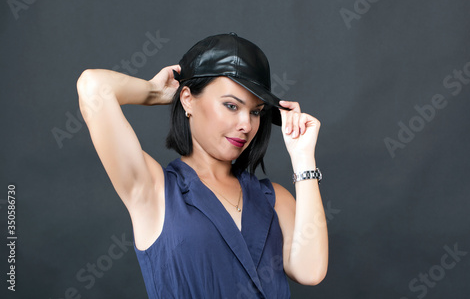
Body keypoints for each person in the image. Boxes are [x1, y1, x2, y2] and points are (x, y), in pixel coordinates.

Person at [77, 33, 328, 298]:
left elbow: (310, 272)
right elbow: (93, 86)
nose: (246, 124)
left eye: (256, 111)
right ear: (187, 99)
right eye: (231, 105)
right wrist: (153, 92)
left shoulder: (275, 199)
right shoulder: (155, 191)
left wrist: (303, 157)